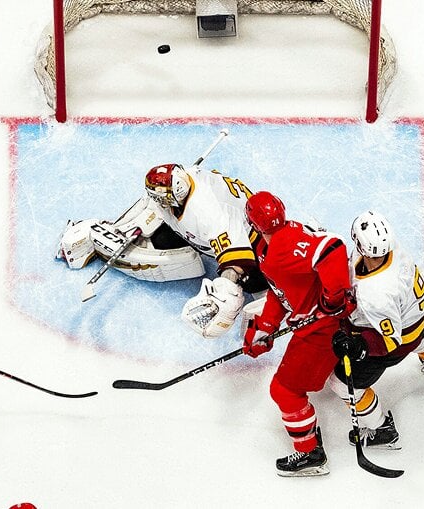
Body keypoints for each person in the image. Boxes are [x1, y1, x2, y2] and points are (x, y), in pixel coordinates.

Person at [56, 162, 269, 338]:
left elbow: (237, 259)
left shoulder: (207, 212)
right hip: (218, 226)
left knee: (256, 282)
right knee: (161, 239)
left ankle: (268, 298)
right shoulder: (181, 183)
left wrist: (224, 292)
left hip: (253, 241)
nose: (158, 201)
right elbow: (151, 200)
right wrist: (127, 225)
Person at [241, 191, 354, 477]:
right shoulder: (268, 246)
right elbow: (280, 291)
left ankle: (310, 453)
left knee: (284, 391)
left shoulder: (284, 246)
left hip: (322, 330)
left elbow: (332, 248)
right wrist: (265, 327)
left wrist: (333, 299)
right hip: (311, 325)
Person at [328, 211, 424, 449]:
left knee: (342, 385)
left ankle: (382, 430)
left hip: (397, 340)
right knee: (422, 338)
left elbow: (390, 341)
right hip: (414, 318)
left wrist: (359, 345)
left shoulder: (376, 295)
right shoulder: (392, 250)